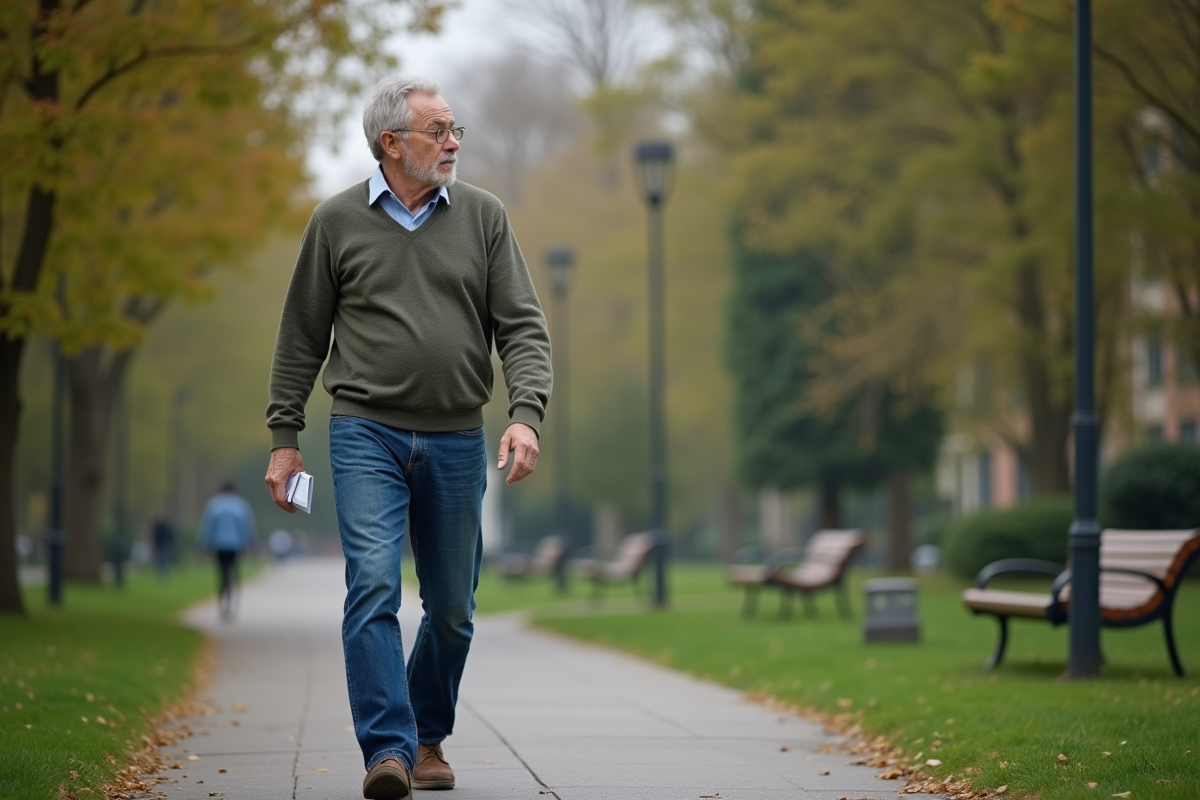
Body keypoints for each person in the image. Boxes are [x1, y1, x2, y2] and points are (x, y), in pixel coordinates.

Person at [263, 75, 551, 800]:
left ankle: (429, 735)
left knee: (452, 609)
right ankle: (387, 750)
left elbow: (522, 325)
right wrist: (284, 435)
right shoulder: (335, 222)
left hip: (456, 437)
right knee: (373, 586)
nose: (454, 142)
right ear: (391, 143)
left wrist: (526, 413)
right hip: (365, 432)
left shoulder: (484, 217)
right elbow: (301, 336)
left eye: (457, 130)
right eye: (439, 131)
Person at [197, 482, 257, 622]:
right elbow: (247, 526)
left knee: (221, 573)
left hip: (219, 544)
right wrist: (250, 544)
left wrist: (203, 546)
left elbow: (207, 527)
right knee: (233, 571)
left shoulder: (214, 505)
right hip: (236, 544)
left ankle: (223, 601)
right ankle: (231, 599)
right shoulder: (241, 505)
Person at [151, 510, 175, 581]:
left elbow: (169, 535)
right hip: (159, 546)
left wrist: (168, 543)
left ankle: (165, 576)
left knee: (165, 561)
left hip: (165, 545)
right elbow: (155, 536)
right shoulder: (157, 526)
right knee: (159, 561)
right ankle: (160, 576)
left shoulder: (166, 525)